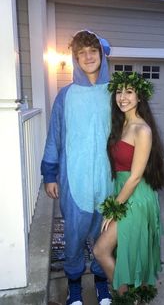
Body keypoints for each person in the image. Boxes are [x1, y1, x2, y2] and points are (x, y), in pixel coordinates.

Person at [41, 30, 114, 305]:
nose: (88, 56)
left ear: (101, 54)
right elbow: (54, 136)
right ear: (75, 58)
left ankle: (100, 282)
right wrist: (50, 173)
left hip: (108, 180)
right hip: (75, 180)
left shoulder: (115, 94)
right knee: (73, 236)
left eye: (92, 50)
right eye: (81, 52)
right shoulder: (65, 96)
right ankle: (74, 285)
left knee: (104, 234)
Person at [93, 71, 164, 304]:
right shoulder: (122, 122)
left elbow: (135, 177)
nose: (122, 97)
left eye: (129, 91)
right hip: (123, 191)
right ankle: (131, 296)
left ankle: (126, 299)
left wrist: (113, 208)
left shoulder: (142, 130)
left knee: (100, 250)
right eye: (119, 91)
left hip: (136, 196)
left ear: (139, 97)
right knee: (124, 249)